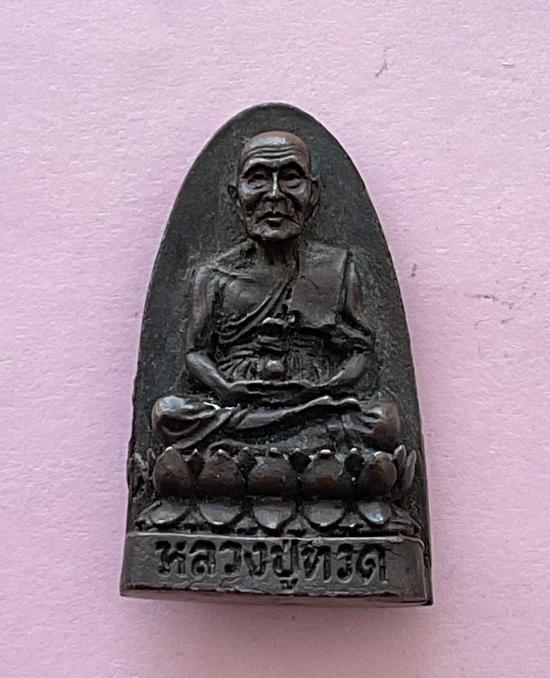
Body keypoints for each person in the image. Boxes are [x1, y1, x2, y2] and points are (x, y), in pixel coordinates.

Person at [153, 131, 400, 459]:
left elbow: (361, 350)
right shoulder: (213, 276)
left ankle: (249, 448)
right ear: (236, 196)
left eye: (290, 178)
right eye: (258, 179)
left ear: (312, 194)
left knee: (383, 421)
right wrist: (226, 388)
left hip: (314, 400)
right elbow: (196, 353)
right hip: (240, 401)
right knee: (168, 413)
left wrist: (327, 387)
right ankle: (301, 444)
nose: (274, 195)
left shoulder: (336, 268)